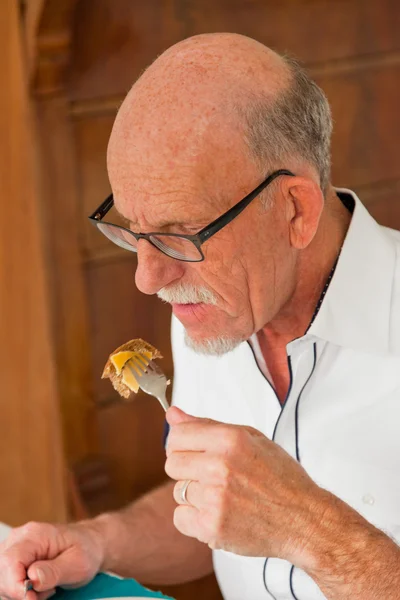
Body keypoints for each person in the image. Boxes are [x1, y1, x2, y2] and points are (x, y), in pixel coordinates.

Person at [1, 32, 399, 600]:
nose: (147, 279)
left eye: (177, 235)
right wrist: (97, 541)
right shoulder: (210, 298)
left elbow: (275, 517)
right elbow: (216, 509)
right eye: (133, 232)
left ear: (295, 210)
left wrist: (309, 531)